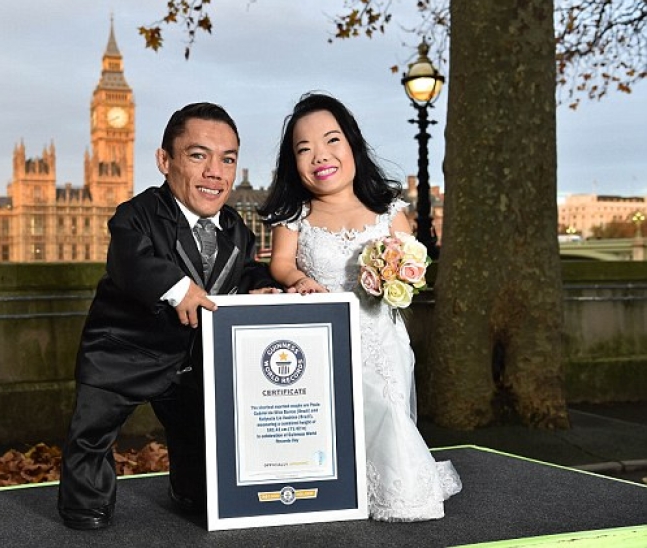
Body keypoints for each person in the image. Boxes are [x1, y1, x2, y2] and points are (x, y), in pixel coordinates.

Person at [58, 102, 281, 530]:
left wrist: (262, 285)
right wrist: (180, 287)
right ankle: (86, 506)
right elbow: (133, 260)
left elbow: (245, 269)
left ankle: (191, 490)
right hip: (122, 352)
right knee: (92, 435)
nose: (215, 171)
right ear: (165, 161)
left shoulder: (236, 229)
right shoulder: (137, 215)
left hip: (190, 359)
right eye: (199, 155)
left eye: (228, 159)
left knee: (196, 435)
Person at [259, 92, 462, 521]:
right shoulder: (296, 214)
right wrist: (300, 280)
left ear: (352, 144)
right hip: (323, 337)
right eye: (304, 149)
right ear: (293, 162)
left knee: (386, 408)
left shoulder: (389, 211)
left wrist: (396, 277)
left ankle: (401, 492)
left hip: (380, 336)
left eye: (331, 141)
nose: (320, 156)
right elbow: (280, 264)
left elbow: (411, 265)